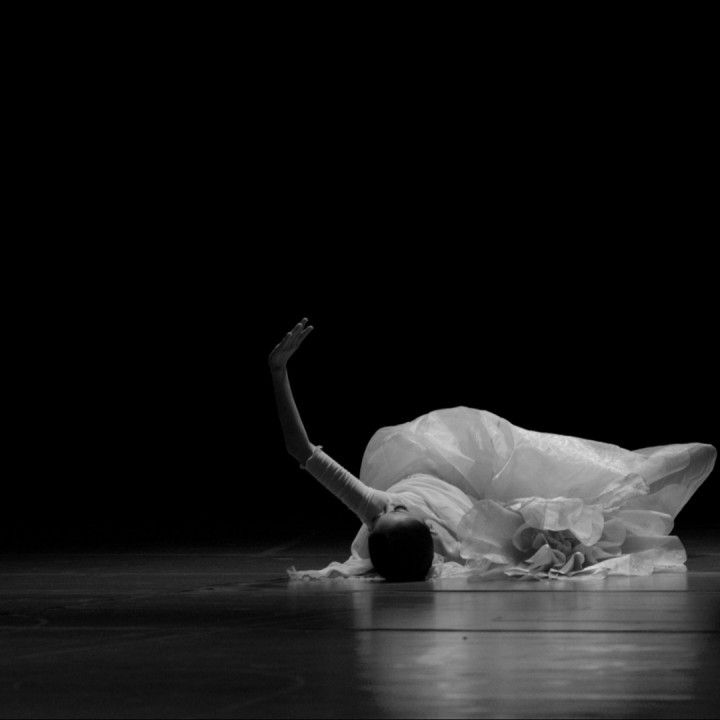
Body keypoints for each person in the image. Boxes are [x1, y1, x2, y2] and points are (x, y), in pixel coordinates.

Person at [269, 319, 717, 582]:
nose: (393, 505)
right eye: (399, 510)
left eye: (390, 511)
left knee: (516, 447)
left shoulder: (375, 507)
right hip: (474, 488)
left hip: (446, 459)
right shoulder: (453, 548)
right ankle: (641, 476)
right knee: (568, 499)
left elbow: (300, 450)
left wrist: (278, 373)